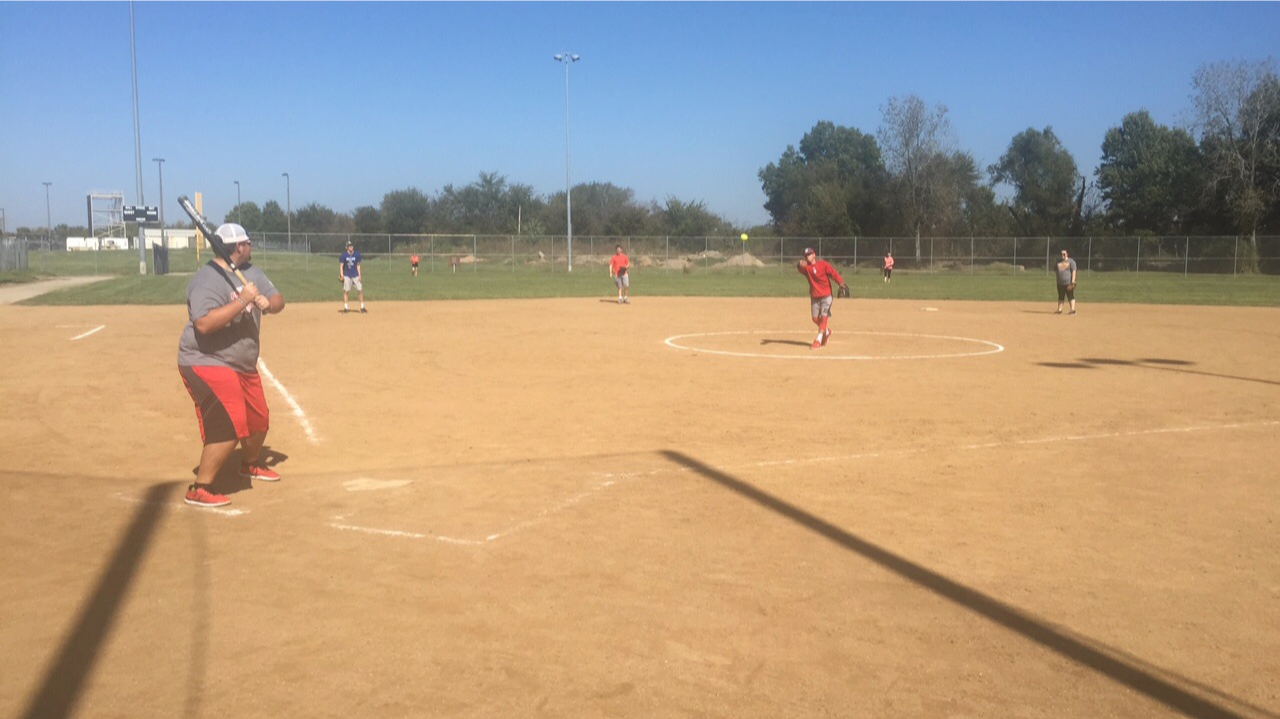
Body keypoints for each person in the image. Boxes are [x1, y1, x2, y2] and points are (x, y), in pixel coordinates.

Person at [177, 223, 286, 508]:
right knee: (229, 421)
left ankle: (249, 464)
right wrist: (242, 300)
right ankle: (200, 487)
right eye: (248, 242)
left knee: (258, 419)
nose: (252, 246)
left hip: (243, 362)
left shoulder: (252, 273)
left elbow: (278, 300)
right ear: (238, 246)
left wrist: (267, 303)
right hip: (207, 360)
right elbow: (203, 324)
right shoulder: (207, 280)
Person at [796, 247, 848, 349]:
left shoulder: (823, 264)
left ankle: (818, 339)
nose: (807, 257)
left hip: (826, 295)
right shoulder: (806, 268)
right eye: (805, 255)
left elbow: (833, 274)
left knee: (824, 317)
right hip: (815, 296)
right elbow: (799, 268)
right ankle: (827, 331)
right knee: (815, 318)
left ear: (814, 255)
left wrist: (841, 283)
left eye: (809, 254)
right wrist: (799, 264)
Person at [339, 240, 366, 313]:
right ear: (346, 247)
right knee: (346, 291)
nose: (351, 247)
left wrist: (360, 275)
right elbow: (341, 266)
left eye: (351, 246)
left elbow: (358, 266)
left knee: (360, 290)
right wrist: (341, 275)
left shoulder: (357, 254)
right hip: (347, 275)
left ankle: (362, 307)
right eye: (349, 246)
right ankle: (346, 308)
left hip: (355, 275)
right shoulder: (344, 255)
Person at [1055, 248, 1078, 315]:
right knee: (1060, 296)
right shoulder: (1058, 262)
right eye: (1061, 254)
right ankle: (1059, 310)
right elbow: (1055, 270)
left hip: (1068, 282)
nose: (1062, 255)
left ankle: (1072, 310)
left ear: (1067, 254)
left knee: (1070, 295)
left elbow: (1074, 271)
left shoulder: (1071, 261)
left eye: (1064, 254)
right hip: (1060, 283)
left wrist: (1073, 280)